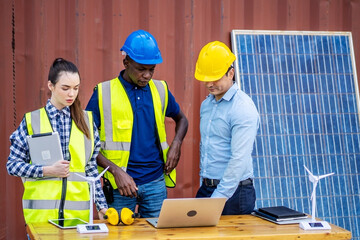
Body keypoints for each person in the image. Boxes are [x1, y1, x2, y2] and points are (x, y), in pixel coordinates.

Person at [86, 29, 188, 218]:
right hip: (120, 186)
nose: (147, 75)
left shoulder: (160, 89)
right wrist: (116, 172)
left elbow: (182, 119)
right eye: (141, 69)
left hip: (155, 182)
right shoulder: (103, 93)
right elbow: (85, 142)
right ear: (126, 62)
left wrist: (176, 145)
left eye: (152, 69)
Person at [6, 58, 108, 224]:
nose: (71, 94)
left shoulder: (87, 122)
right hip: (41, 219)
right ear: (50, 86)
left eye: (76, 88)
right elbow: (12, 165)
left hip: (77, 219)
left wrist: (102, 206)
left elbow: (90, 169)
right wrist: (47, 170)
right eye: (65, 88)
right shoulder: (32, 121)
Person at [194, 41, 260, 215]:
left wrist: (219, 197)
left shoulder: (242, 108)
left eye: (214, 78)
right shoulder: (206, 105)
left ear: (231, 73)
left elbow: (239, 158)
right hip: (207, 189)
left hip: (235, 195)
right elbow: (208, 148)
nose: (209, 84)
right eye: (205, 79)